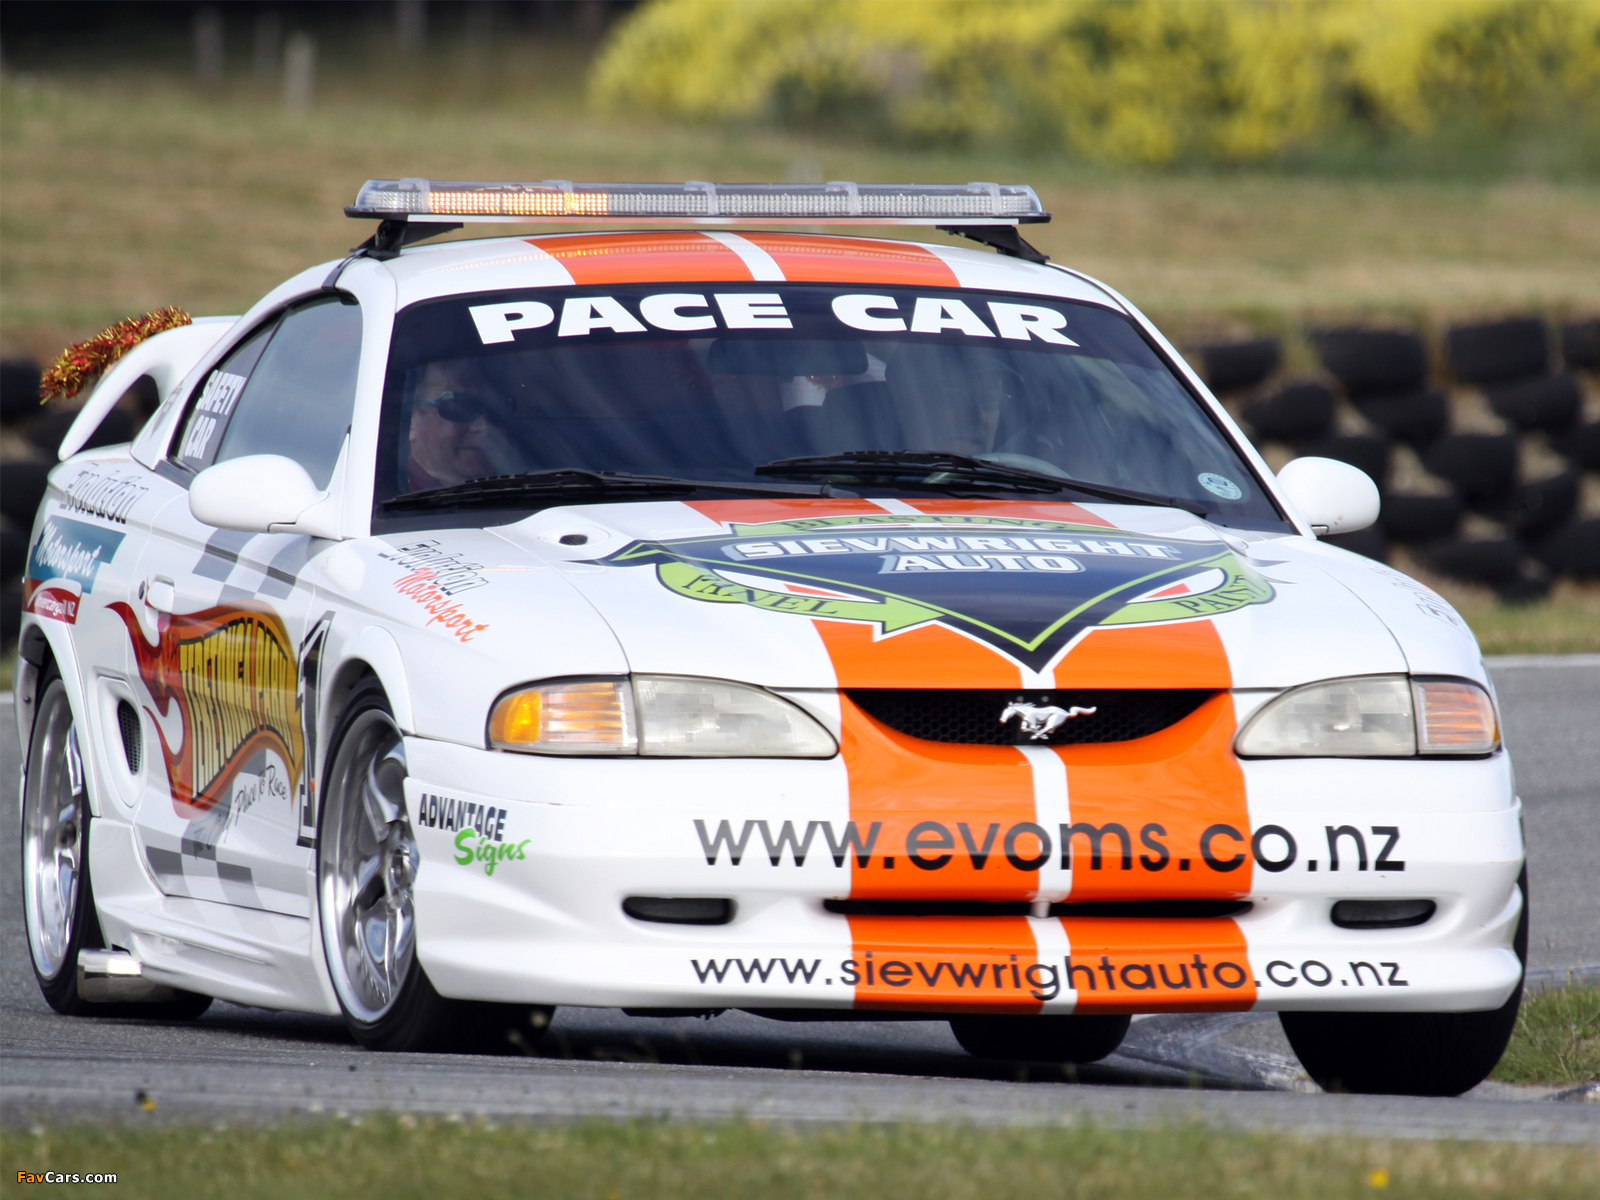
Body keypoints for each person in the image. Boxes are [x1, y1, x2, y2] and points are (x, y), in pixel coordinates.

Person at [404, 358, 518, 491]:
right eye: (460, 407)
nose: (484, 426)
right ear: (412, 419)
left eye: (495, 409)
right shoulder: (386, 498)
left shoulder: (531, 492)